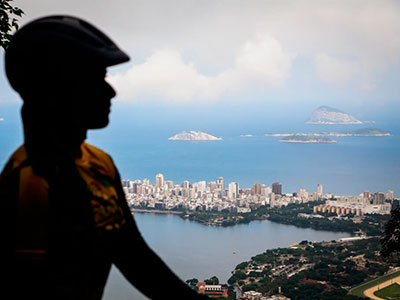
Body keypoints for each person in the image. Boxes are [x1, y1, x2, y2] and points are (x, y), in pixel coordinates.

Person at [2, 15, 209, 299]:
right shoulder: (29, 185)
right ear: (57, 91)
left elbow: (133, 255)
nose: (111, 91)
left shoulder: (99, 163)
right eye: (96, 80)